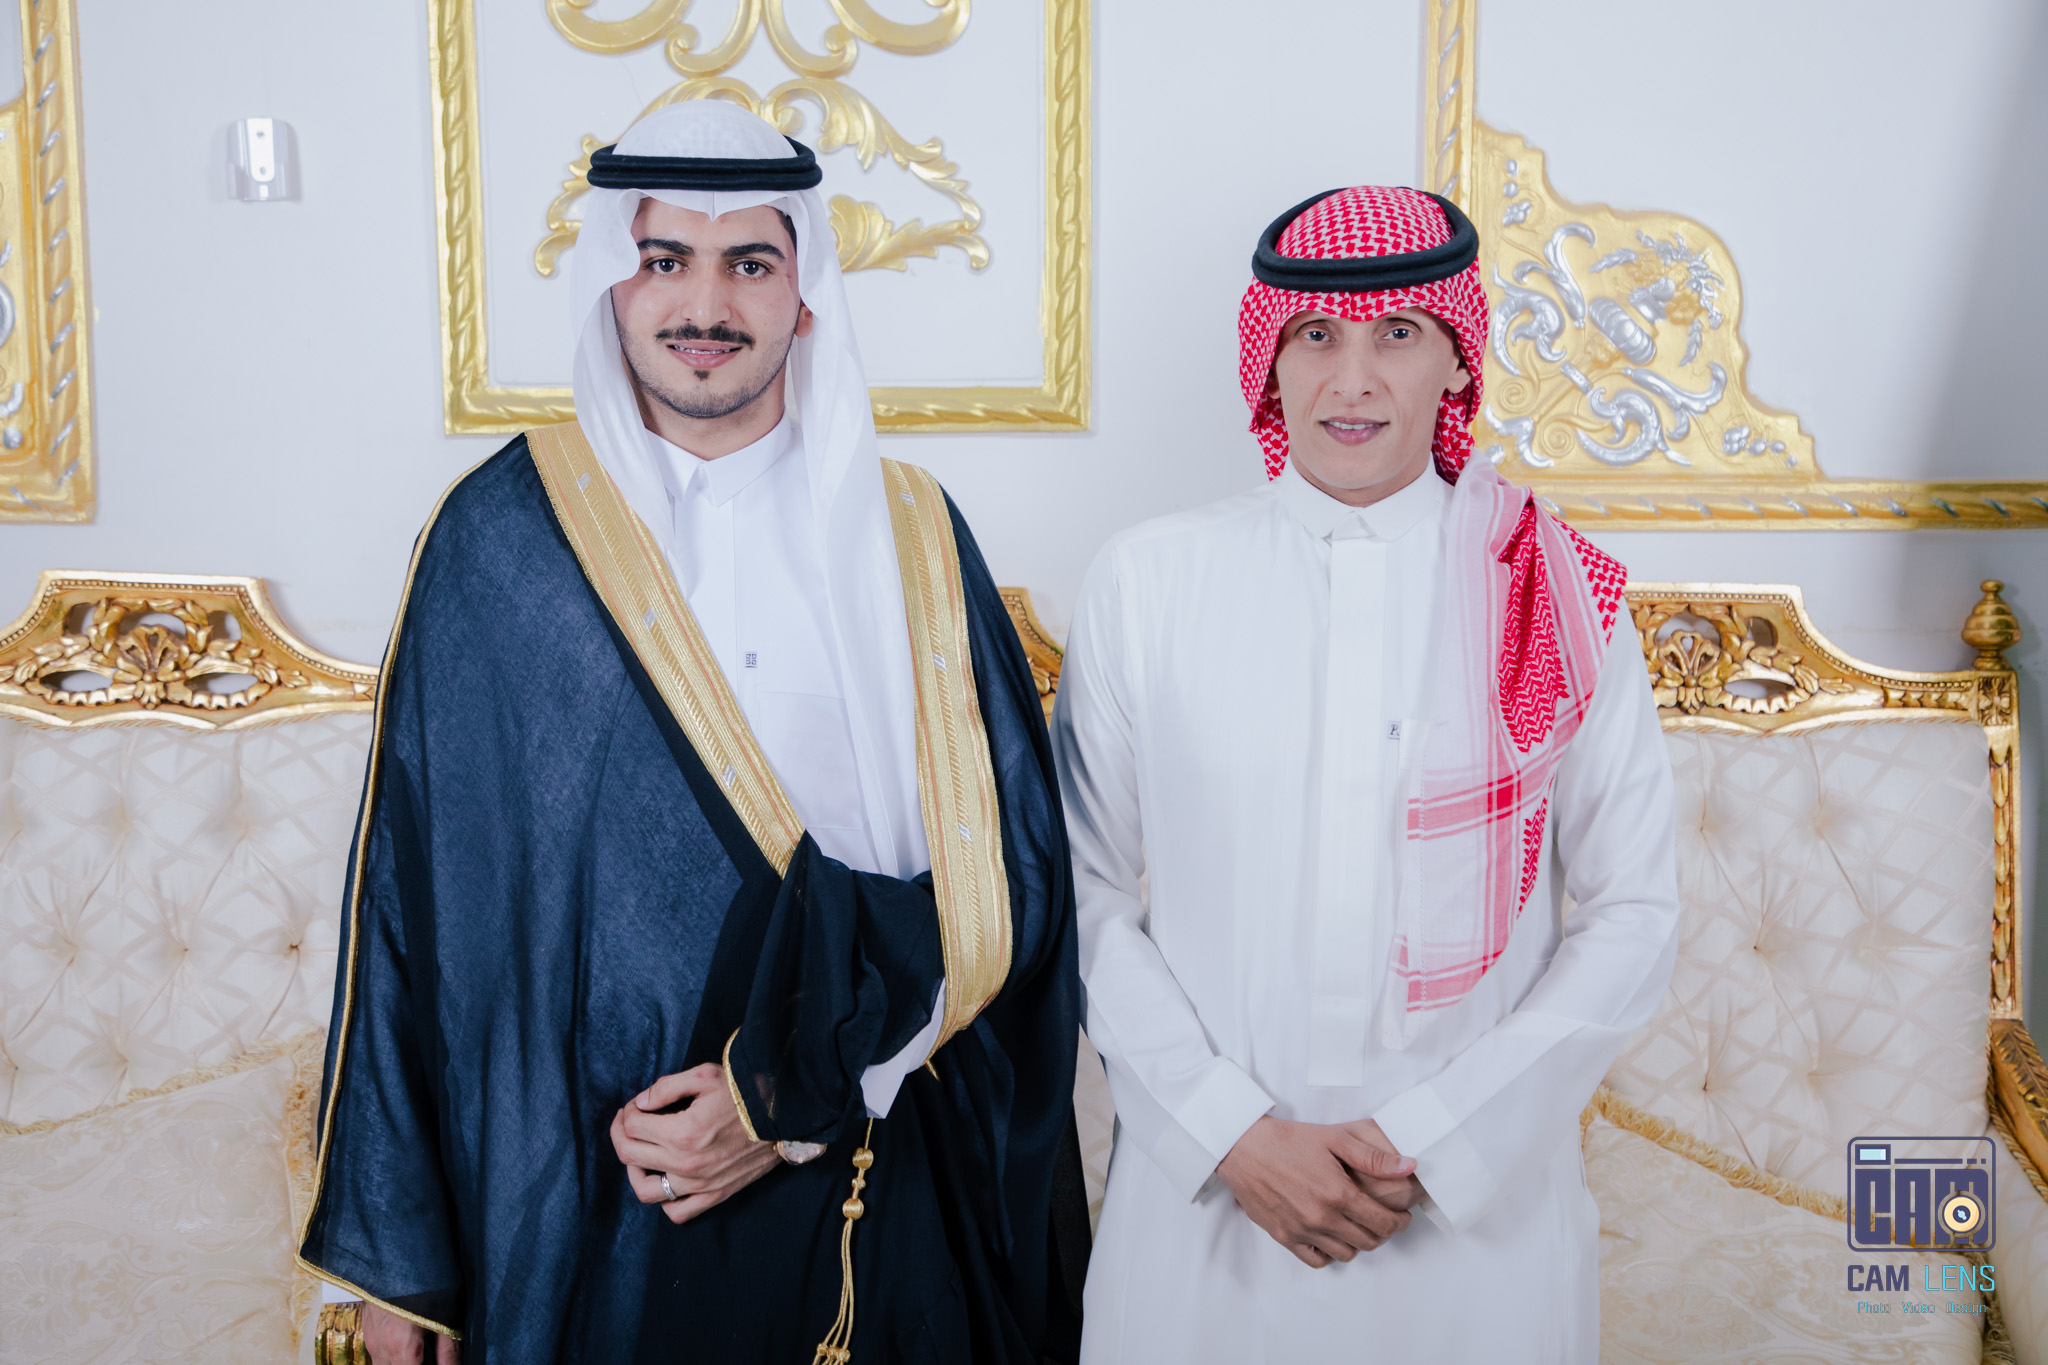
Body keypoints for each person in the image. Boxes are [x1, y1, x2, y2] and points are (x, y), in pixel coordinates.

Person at [298, 101, 1087, 1365]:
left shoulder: (907, 538)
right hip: (579, 1198)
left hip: (861, 1176)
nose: (704, 304)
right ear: (610, 285)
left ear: (805, 295)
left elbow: (1014, 881)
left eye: (749, 263)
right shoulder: (500, 540)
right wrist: (408, 1270)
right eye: (664, 259)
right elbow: (410, 912)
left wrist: (783, 1096)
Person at [1052, 185, 1680, 1361]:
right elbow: (1077, 893)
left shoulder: (1551, 592)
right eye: (1315, 336)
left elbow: (1634, 911)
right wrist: (1230, 1132)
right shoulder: (1148, 581)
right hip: (1207, 1219)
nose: (1351, 381)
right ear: (1268, 360)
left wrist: (1437, 1140)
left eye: (1396, 334)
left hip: (1475, 1234)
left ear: (1455, 359)